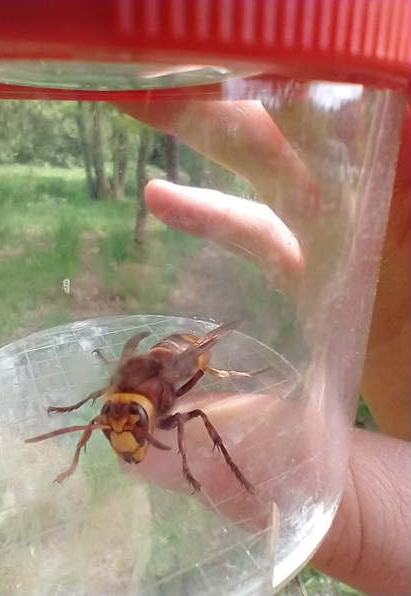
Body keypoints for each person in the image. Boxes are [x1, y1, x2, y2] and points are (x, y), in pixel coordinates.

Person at [117, 97, 410, 595]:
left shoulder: (170, 389)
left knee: (202, 399)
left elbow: (183, 388)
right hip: (160, 362)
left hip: (183, 355)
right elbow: (124, 380)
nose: (123, 424)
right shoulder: (130, 394)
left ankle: (233, 384)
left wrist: (192, 459)